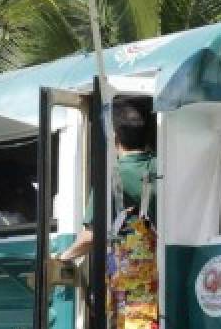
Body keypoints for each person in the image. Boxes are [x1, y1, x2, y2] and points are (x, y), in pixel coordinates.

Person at [59, 99, 157, 262]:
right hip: (165, 268)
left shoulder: (112, 176)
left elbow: (91, 236)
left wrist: (63, 257)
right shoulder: (163, 165)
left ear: (114, 136)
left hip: (130, 275)